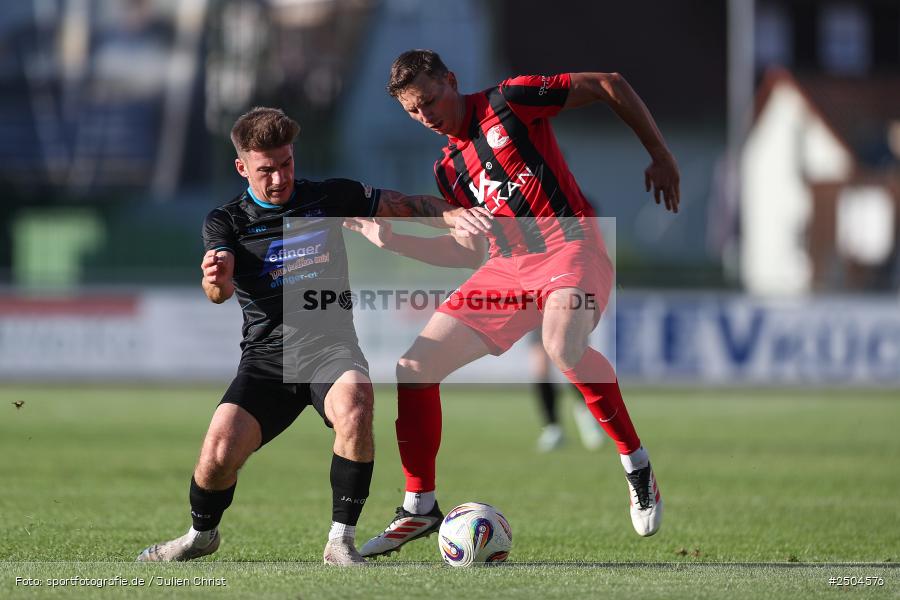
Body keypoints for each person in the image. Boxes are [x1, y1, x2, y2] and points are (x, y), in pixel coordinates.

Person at [354, 50, 680, 558]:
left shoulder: (510, 100)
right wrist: (394, 240)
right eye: (414, 112)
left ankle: (636, 465)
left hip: (572, 245)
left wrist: (659, 153)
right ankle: (419, 507)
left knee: (561, 346)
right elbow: (466, 252)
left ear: (451, 80)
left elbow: (609, 82)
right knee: (414, 366)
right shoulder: (448, 169)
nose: (427, 117)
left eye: (431, 101)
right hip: (507, 269)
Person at [135, 106, 460, 566]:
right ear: (242, 167)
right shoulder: (226, 220)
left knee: (356, 405)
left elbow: (406, 204)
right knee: (219, 451)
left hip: (332, 349)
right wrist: (217, 279)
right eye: (266, 169)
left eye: (286, 164)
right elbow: (217, 290)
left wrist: (463, 216)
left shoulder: (328, 197)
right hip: (266, 360)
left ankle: (340, 542)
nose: (279, 178)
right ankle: (200, 535)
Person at [529, 329, 606, 453]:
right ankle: (552, 428)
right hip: (537, 314)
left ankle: (588, 417)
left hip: (565, 311)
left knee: (571, 361)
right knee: (541, 366)